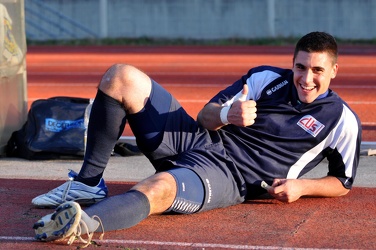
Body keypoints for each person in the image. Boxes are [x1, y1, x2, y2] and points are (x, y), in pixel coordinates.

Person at [33, 31, 361, 247]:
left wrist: (303, 187)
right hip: (198, 140)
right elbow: (205, 115)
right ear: (292, 63)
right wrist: (226, 116)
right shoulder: (266, 78)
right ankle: (89, 182)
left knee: (158, 187)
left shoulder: (342, 121)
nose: (306, 78)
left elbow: (343, 181)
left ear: (333, 71)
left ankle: (81, 225)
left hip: (230, 176)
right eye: (300, 67)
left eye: (317, 70)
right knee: (121, 76)